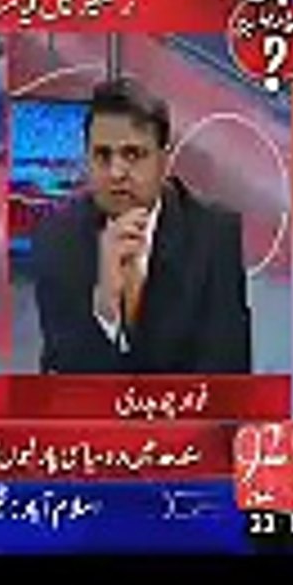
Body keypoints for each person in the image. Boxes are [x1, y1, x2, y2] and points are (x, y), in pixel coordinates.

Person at [30, 77, 252, 374]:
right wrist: (105, 310)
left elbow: (227, 373)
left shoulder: (214, 235)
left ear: (164, 161)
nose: (116, 172)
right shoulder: (57, 239)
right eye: (102, 155)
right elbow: (63, 379)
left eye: (132, 154)